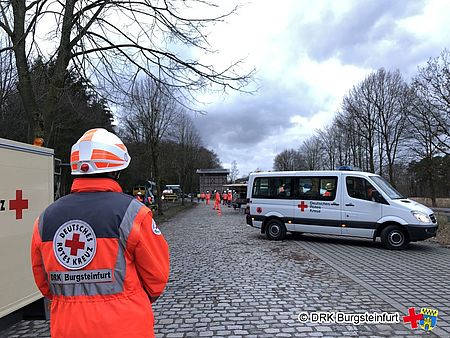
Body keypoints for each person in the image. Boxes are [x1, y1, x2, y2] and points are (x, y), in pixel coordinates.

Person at [30, 128, 170, 338]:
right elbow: (157, 277)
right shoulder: (133, 213)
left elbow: (44, 283)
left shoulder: (46, 218)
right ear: (117, 170)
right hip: (126, 327)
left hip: (68, 328)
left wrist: (72, 299)